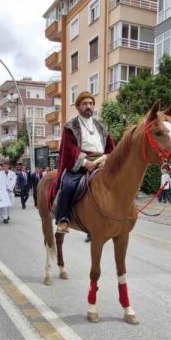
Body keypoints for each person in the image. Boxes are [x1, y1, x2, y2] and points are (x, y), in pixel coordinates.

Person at [52, 91, 115, 234]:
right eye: (85, 103)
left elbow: (111, 147)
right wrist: (84, 162)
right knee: (68, 186)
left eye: (91, 103)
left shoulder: (101, 126)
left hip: (102, 162)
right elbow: (69, 149)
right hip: (80, 164)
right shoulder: (71, 126)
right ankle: (63, 220)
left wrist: (107, 159)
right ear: (78, 106)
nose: (89, 106)